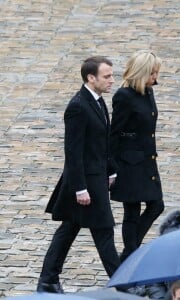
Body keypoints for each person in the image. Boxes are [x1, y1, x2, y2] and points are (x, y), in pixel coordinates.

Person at [37, 56, 120, 293]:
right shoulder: (78, 106)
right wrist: (80, 188)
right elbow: (73, 152)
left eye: (111, 75)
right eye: (107, 76)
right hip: (86, 184)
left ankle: (48, 280)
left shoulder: (97, 101)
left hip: (96, 178)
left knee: (68, 230)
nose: (111, 80)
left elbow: (101, 143)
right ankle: (122, 282)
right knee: (104, 231)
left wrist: (111, 169)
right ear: (90, 78)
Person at [110, 50, 164, 263]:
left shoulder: (148, 91)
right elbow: (114, 134)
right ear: (142, 73)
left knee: (156, 205)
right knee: (131, 212)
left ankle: (128, 255)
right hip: (129, 164)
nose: (155, 78)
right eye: (153, 73)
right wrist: (111, 165)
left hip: (147, 161)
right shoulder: (123, 97)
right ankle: (131, 256)